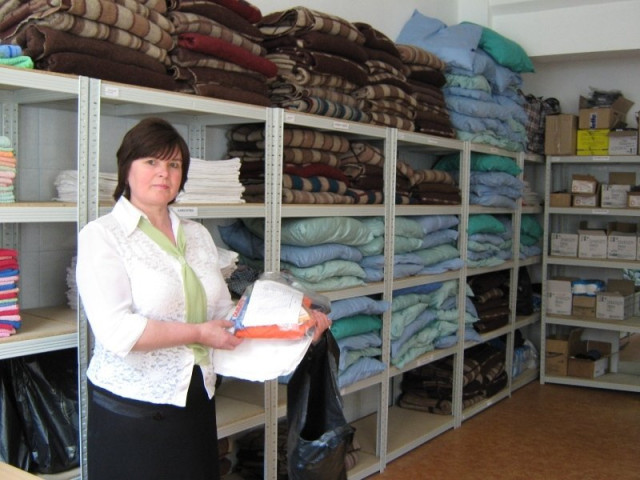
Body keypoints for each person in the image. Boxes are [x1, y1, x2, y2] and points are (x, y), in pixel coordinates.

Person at [76, 117, 330, 480]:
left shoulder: (196, 235)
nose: (164, 173)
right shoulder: (102, 236)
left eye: (174, 164)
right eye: (151, 161)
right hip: (132, 410)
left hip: (196, 395)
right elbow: (117, 332)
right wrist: (198, 333)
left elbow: (223, 313)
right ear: (127, 167)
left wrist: (296, 328)